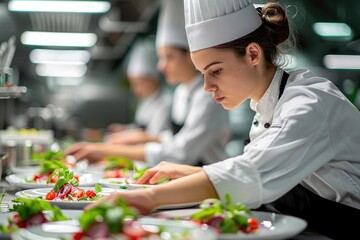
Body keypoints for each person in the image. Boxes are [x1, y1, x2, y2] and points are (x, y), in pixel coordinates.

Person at [86, 0, 360, 239]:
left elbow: (252, 174)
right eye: (202, 73)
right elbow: (264, 172)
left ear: (253, 54)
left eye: (215, 70)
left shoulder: (309, 103)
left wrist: (148, 197)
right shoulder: (268, 105)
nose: (207, 86)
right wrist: (190, 173)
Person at [65, 0, 230, 167]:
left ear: (190, 55)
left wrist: (107, 150)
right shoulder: (182, 92)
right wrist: (137, 137)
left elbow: (181, 151)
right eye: (161, 58)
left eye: (169, 57)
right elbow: (173, 138)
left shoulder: (208, 95)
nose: (161, 66)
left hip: (207, 177)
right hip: (180, 175)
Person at [105, 37, 172, 144]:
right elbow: (141, 127)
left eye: (138, 83)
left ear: (153, 79)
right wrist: (125, 129)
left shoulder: (165, 102)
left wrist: (123, 136)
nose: (133, 88)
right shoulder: (145, 102)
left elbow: (153, 136)